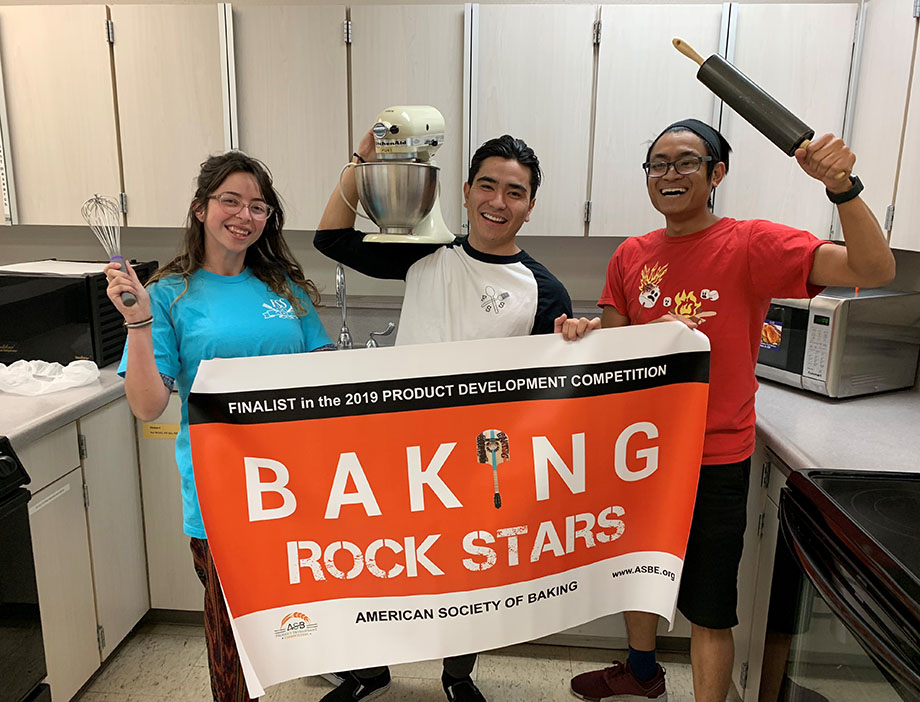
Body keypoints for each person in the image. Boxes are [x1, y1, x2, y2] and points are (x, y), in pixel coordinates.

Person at [569, 119, 895, 702]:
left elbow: (873, 270)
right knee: (633, 576)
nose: (669, 174)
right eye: (658, 164)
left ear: (716, 173)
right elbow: (616, 355)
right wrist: (584, 334)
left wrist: (843, 188)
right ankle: (641, 672)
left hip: (714, 455)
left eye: (686, 162)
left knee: (711, 605)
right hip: (639, 453)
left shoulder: (751, 244)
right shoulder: (631, 254)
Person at [314, 132, 596, 702]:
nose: (498, 201)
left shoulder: (543, 289)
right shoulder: (424, 253)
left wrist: (574, 338)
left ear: (530, 206)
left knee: (470, 573)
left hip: (480, 458)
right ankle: (368, 669)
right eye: (487, 186)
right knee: (380, 562)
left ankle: (458, 675)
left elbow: (553, 392)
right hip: (400, 445)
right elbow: (331, 237)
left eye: (515, 192)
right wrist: (362, 162)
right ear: (465, 192)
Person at [104, 151, 334, 702]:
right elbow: (148, 405)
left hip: (295, 487)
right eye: (230, 201)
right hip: (221, 492)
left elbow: (323, 375)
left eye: (257, 206)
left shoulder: (284, 287)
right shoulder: (167, 294)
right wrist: (138, 322)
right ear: (200, 209)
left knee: (293, 612)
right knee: (232, 634)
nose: (244, 215)